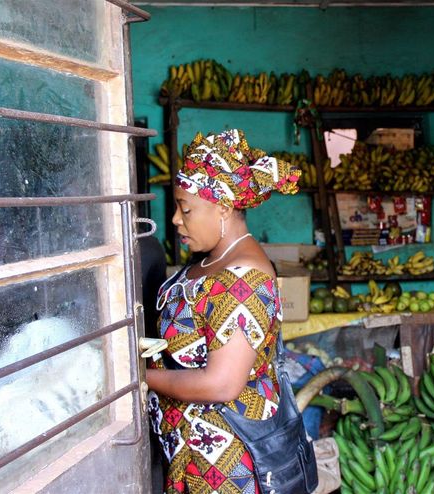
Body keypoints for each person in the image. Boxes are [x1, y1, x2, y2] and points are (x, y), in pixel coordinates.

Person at [145, 129, 301, 494]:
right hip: (192, 456)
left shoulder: (242, 279)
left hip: (226, 469)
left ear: (224, 207)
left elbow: (222, 383)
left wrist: (139, 377)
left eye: (186, 209)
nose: (175, 220)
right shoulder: (212, 260)